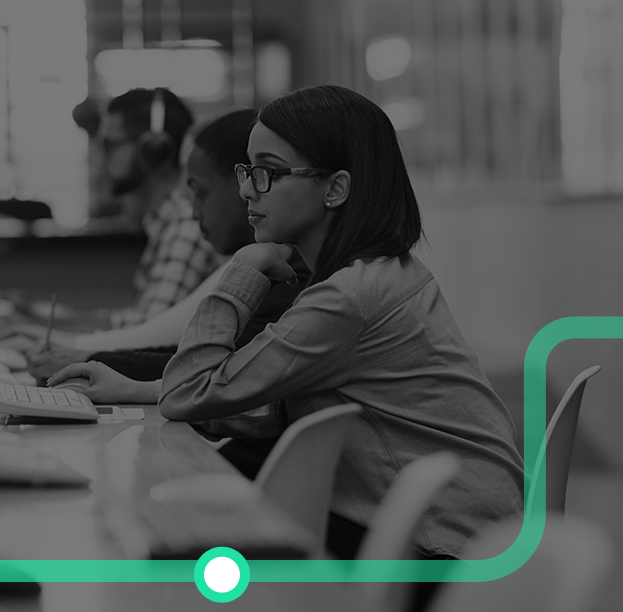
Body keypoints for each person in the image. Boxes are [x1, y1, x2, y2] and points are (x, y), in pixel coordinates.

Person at [57, 85, 524, 564]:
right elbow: (267, 401)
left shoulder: (348, 298)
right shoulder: (377, 274)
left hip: (443, 556)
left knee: (186, 533)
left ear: (335, 189)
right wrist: (137, 389)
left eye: (269, 173)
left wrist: (241, 270)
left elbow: (189, 394)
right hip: (466, 534)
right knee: (199, 520)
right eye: (247, 170)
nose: (246, 189)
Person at [28, 109, 299, 391]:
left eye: (198, 191)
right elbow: (200, 364)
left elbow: (212, 372)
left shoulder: (278, 269)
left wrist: (92, 361)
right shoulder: (265, 260)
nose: (248, 191)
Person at [0, 88, 221, 342]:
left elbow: (142, 337)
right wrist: (39, 314)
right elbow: (133, 324)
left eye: (110, 146)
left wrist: (25, 325)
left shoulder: (185, 226)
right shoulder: (166, 223)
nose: (100, 158)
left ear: (153, 151)